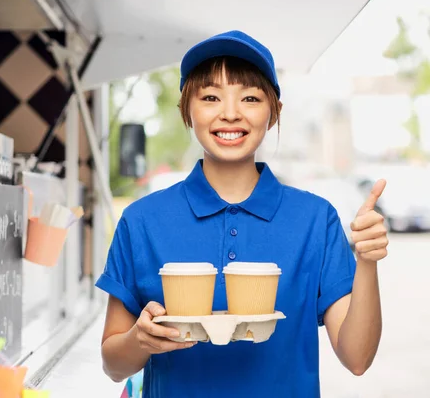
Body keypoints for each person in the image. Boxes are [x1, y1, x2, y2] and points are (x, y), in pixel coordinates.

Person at [96, 30, 388, 398]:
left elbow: (357, 359)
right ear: (187, 109)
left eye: (250, 97)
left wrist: (367, 261)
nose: (230, 113)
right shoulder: (141, 222)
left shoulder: (316, 220)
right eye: (211, 97)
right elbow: (112, 366)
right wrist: (140, 340)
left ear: (274, 112)